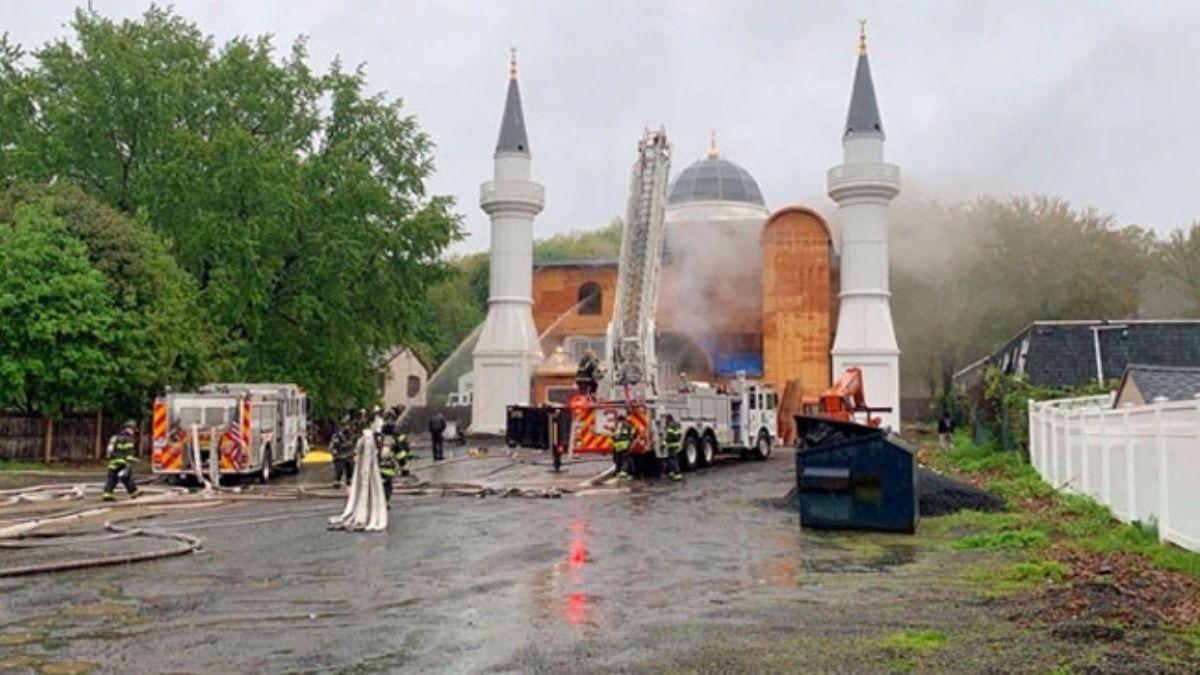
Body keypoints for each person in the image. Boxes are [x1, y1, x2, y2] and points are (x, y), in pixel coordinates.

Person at [102, 420, 141, 502]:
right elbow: (128, 454)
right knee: (128, 479)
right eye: (133, 430)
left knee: (111, 480)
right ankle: (134, 493)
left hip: (113, 463)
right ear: (129, 429)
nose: (133, 432)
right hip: (122, 464)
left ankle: (107, 495)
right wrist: (130, 462)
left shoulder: (116, 437)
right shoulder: (128, 439)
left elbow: (111, 451)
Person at [330, 417, 355, 487]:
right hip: (339, 456)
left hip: (348, 456)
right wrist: (335, 452)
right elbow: (334, 445)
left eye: (348, 425)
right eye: (345, 425)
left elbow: (352, 442)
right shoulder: (337, 435)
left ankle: (349, 480)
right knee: (339, 470)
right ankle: (337, 481)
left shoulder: (351, 434)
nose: (347, 427)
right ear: (342, 426)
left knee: (350, 469)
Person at [661, 415, 683, 482]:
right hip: (677, 445)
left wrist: (663, 444)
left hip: (672, 445)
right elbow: (679, 435)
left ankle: (677, 476)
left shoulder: (670, 425)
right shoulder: (677, 424)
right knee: (673, 460)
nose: (665, 421)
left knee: (673, 461)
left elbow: (669, 437)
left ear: (668, 419)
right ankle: (672, 473)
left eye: (666, 420)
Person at [612, 415, 634, 479]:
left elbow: (613, 436)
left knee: (617, 459)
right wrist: (630, 441)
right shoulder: (628, 427)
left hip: (617, 446)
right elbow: (631, 435)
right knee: (625, 459)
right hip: (625, 446)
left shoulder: (615, 427)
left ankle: (617, 471)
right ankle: (623, 472)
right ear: (624, 420)